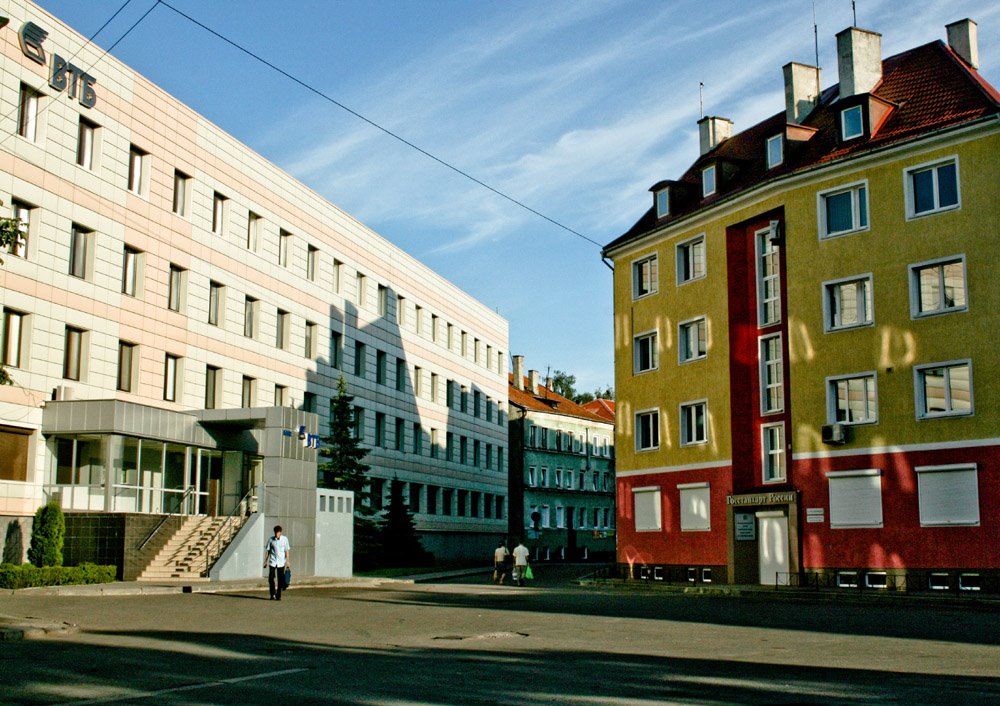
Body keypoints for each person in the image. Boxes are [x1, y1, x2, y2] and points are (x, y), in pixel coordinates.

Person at [263, 525, 290, 600]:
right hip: (272, 561)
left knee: (280, 579)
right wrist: (265, 561)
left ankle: (278, 595)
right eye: (275, 533)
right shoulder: (271, 540)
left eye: (278, 533)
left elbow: (287, 551)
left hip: (281, 562)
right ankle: (272, 594)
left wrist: (287, 561)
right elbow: (267, 551)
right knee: (271, 578)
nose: (276, 534)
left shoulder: (285, 539)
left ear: (280, 532)